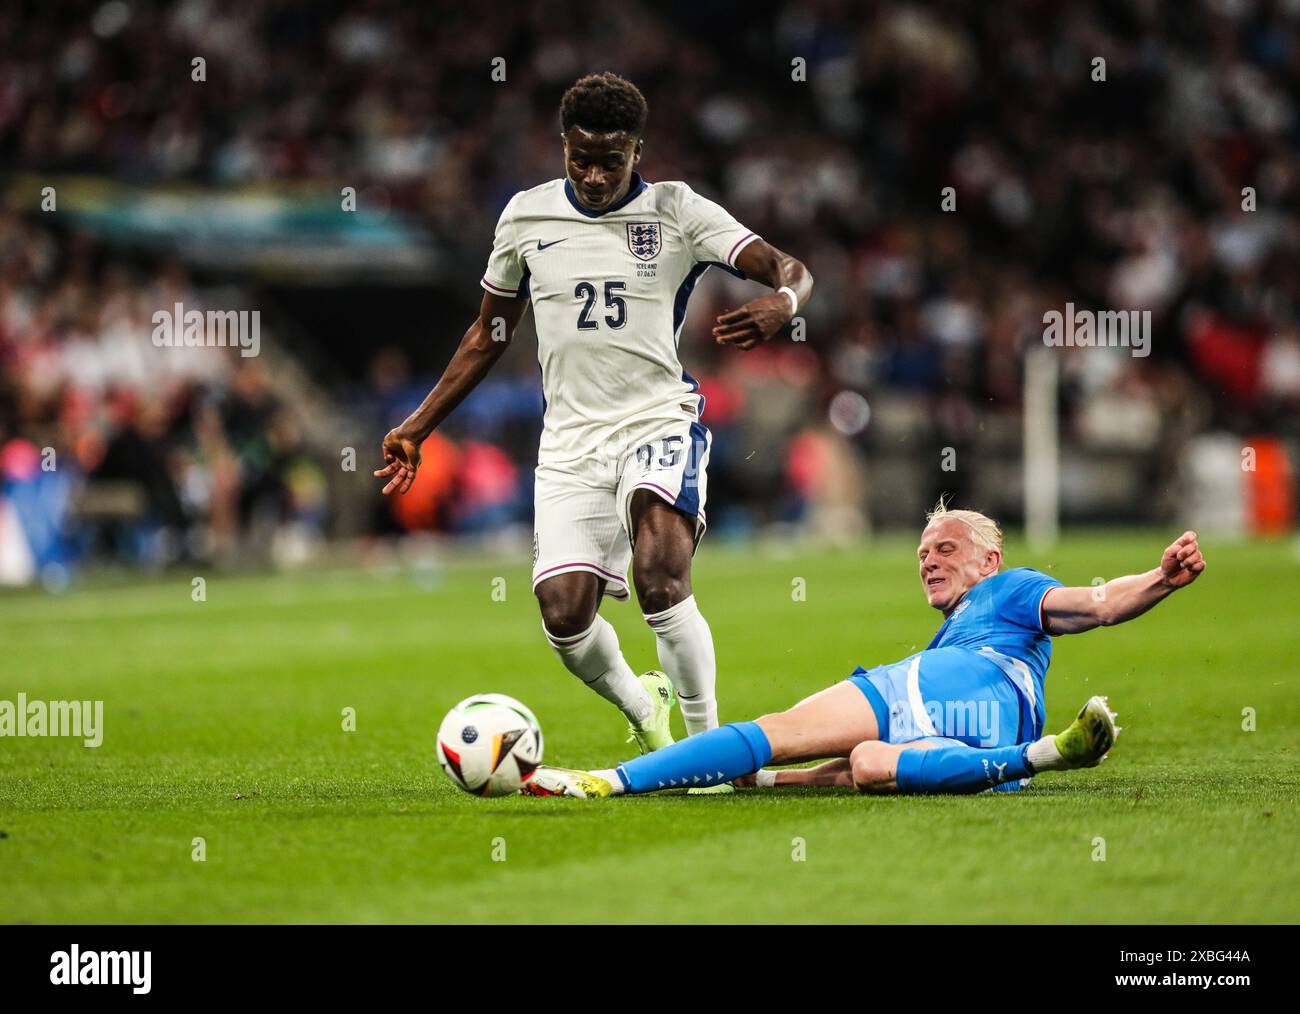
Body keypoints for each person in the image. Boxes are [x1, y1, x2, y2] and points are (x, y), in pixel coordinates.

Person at [374, 73, 813, 786]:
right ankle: (648, 713)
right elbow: (488, 333)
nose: (595, 173)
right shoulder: (525, 217)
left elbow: (789, 267)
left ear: (639, 150)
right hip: (571, 444)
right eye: (581, 157)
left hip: (657, 420)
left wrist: (784, 302)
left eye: (612, 159)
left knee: (660, 576)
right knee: (564, 615)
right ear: (564, 146)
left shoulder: (677, 210)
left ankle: (711, 754)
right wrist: (419, 425)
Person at [522, 503, 1207, 798]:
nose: (929, 561)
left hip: (935, 688)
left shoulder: (1014, 591)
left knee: (779, 732)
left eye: (945, 548)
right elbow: (851, 771)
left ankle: (610, 780)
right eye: (921, 554)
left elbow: (1099, 603)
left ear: (989, 560)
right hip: (970, 737)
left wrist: (1158, 579)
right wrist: (765, 784)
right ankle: (1041, 757)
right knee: (870, 764)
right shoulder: (962, 622)